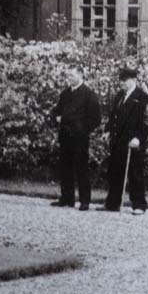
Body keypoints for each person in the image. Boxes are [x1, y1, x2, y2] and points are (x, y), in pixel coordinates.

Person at [100, 67, 148, 215]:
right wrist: (107, 131)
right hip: (118, 141)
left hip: (133, 143)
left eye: (124, 80)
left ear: (133, 80)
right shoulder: (119, 96)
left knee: (135, 174)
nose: (121, 83)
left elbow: (147, 122)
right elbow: (113, 116)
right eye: (120, 80)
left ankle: (139, 205)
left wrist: (139, 138)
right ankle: (113, 203)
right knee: (115, 172)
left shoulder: (142, 97)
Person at [49, 65, 101, 211]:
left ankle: (85, 201)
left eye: (71, 75)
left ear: (80, 75)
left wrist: (82, 130)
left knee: (81, 169)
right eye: (68, 76)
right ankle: (67, 198)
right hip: (65, 137)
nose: (69, 78)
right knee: (65, 168)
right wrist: (55, 118)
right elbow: (57, 111)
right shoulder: (65, 94)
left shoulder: (89, 95)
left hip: (80, 139)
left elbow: (95, 119)